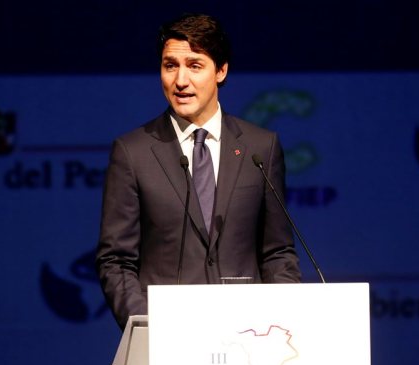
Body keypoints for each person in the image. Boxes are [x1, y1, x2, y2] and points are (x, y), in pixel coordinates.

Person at [96, 13, 301, 329]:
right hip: (167, 337)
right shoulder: (132, 152)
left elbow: (277, 254)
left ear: (221, 70)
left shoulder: (261, 148)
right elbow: (116, 261)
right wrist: (147, 328)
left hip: (247, 339)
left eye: (194, 65)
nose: (180, 81)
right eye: (170, 66)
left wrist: (284, 324)